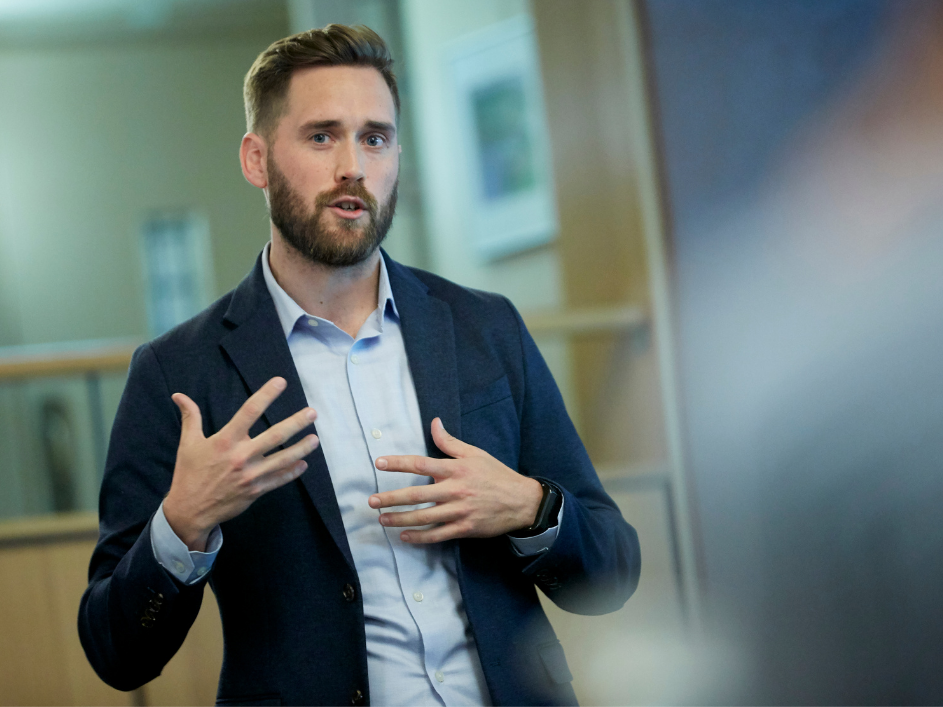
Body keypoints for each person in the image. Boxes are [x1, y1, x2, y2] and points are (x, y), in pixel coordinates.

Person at [79, 24, 639, 707]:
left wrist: (527, 506)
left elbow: (611, 572)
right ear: (257, 160)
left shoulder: (485, 328)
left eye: (374, 138)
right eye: (322, 136)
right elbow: (116, 653)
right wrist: (183, 522)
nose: (353, 165)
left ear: (396, 155)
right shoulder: (179, 373)